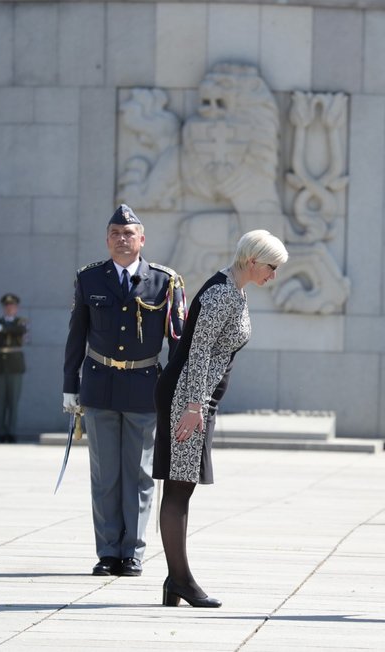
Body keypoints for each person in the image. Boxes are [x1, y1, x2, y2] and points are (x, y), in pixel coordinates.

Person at [154, 229, 287, 608]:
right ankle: (180, 580)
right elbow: (196, 352)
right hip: (187, 397)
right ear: (252, 259)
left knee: (183, 485)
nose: (273, 275)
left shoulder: (236, 291)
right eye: (271, 267)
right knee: (179, 487)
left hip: (195, 397)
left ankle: (174, 581)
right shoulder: (222, 294)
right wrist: (195, 406)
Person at [63, 204, 186, 578]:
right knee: (105, 476)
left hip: (143, 387)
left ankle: (132, 552)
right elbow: (76, 335)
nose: (122, 239)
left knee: (139, 474)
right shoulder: (90, 279)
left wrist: (178, 392)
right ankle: (107, 552)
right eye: (115, 233)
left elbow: (177, 342)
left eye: (129, 233)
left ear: (142, 239)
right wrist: (71, 386)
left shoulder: (164, 282)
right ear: (107, 239)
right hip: (99, 386)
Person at [0, 293, 28, 444]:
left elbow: (20, 331)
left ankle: (12, 433)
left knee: (13, 402)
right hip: (0, 367)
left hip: (15, 366)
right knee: (1, 402)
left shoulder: (20, 321)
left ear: (16, 308)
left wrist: (2, 328)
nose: (10, 308)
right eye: (7, 306)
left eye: (12, 306)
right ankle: (0, 432)